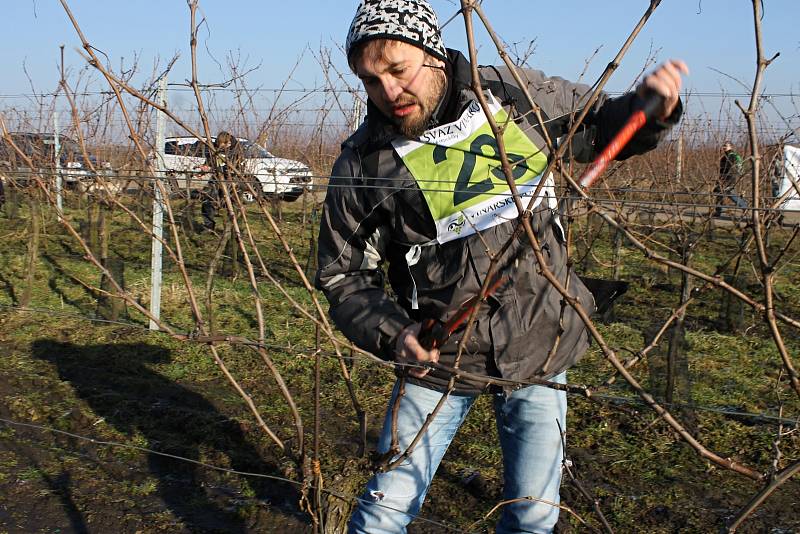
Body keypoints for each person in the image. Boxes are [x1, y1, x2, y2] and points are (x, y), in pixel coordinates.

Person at [315, 1, 687, 532]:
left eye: (398, 71)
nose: (388, 93)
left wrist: (653, 107)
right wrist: (396, 334)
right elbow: (342, 274)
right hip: (438, 357)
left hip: (541, 341)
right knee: (383, 513)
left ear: (434, 55)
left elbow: (599, 126)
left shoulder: (511, 97)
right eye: (371, 80)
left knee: (533, 518)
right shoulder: (366, 161)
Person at [201, 131, 239, 231]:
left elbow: (238, 168)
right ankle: (208, 226)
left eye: (226, 144)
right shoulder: (213, 150)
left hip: (230, 180)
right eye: (221, 144)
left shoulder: (234, 152)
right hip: (216, 178)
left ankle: (232, 228)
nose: (223, 146)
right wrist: (205, 168)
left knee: (231, 203)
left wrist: (234, 180)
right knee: (207, 200)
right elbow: (209, 163)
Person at [713, 140, 748, 216]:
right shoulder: (724, 157)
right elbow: (722, 169)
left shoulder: (734, 156)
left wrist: (738, 174)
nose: (724, 147)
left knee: (729, 193)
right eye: (724, 145)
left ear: (731, 147)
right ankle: (718, 211)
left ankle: (744, 206)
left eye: (726, 145)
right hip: (723, 177)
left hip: (730, 177)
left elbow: (739, 166)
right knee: (720, 193)